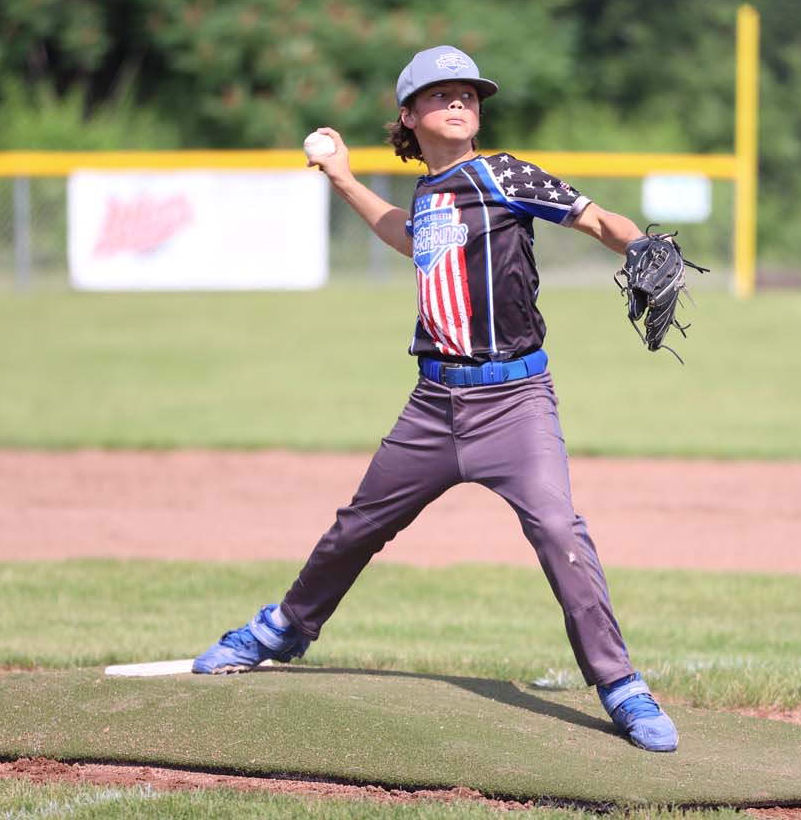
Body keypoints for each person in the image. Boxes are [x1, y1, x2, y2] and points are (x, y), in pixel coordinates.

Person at [192, 45, 679, 753]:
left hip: (514, 401)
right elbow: (406, 234)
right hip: (433, 405)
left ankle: (622, 687)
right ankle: (284, 629)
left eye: (469, 93)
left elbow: (599, 221)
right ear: (411, 115)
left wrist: (639, 247)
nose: (460, 102)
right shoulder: (430, 195)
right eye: (441, 93)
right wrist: (342, 178)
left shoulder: (501, 173)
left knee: (556, 532)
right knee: (357, 527)